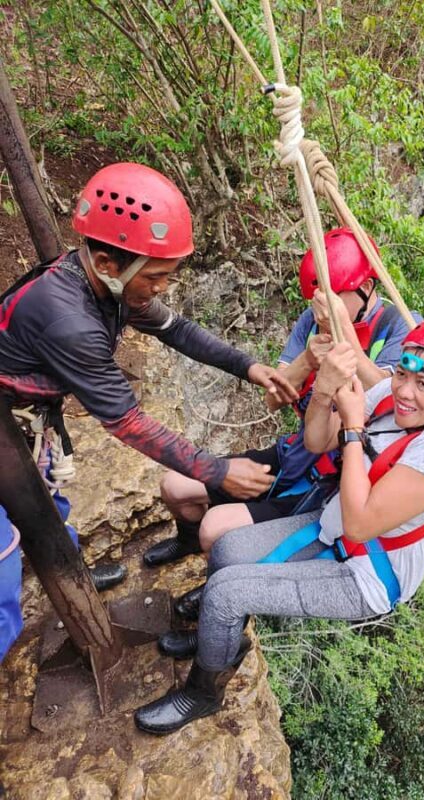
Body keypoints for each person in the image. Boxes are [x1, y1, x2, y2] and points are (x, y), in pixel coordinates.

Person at [133, 315, 424, 735]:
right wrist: (325, 392)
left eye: (423, 385)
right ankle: (223, 641)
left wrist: (355, 427)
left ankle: (203, 695)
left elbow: (362, 524)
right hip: (331, 524)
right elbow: (315, 442)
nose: (403, 391)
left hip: (367, 573)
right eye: (401, 374)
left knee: (226, 591)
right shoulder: (389, 397)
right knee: (227, 550)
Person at [0, 161, 297, 663]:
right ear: (108, 262)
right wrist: (218, 470)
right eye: (157, 277)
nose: (161, 287)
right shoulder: (69, 320)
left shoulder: (105, 285)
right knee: (4, 555)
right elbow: (128, 422)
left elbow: (177, 330)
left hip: (26, 416)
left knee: (51, 501)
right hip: (11, 421)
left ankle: (69, 567)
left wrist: (250, 367)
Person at [144, 227, 421, 580]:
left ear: (365, 289)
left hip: (332, 478)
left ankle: (222, 591)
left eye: (331, 298)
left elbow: (390, 403)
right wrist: (307, 359)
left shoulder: (399, 329)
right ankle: (187, 545)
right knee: (175, 486)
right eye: (316, 298)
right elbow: (273, 399)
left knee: (215, 528)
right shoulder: (310, 322)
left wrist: (346, 339)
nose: (319, 307)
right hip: (295, 453)